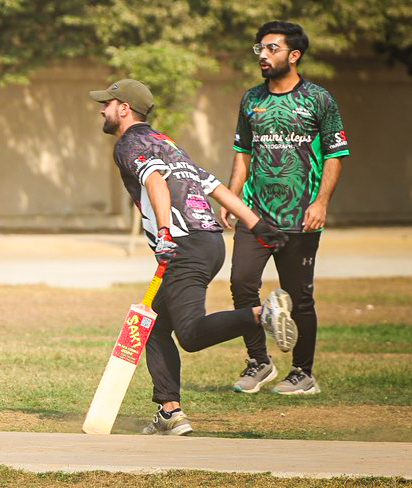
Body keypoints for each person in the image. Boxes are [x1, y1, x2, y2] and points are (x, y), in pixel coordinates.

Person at [90, 78, 296, 436]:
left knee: (190, 335)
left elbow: (154, 181)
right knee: (154, 326)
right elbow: (213, 185)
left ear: (124, 109)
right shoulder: (167, 143)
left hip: (183, 246)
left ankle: (261, 314)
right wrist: (257, 225)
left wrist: (165, 232)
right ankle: (169, 411)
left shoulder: (128, 144)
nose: (101, 110)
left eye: (106, 104)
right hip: (209, 242)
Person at [219, 21, 349, 396]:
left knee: (299, 297)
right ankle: (259, 362)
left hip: (301, 217)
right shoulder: (251, 100)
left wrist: (321, 202)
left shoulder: (319, 99)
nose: (263, 54)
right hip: (256, 215)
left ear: (294, 55)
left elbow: (336, 154)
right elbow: (242, 154)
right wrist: (232, 198)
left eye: (271, 48)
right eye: (259, 48)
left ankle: (302, 373)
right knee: (241, 283)